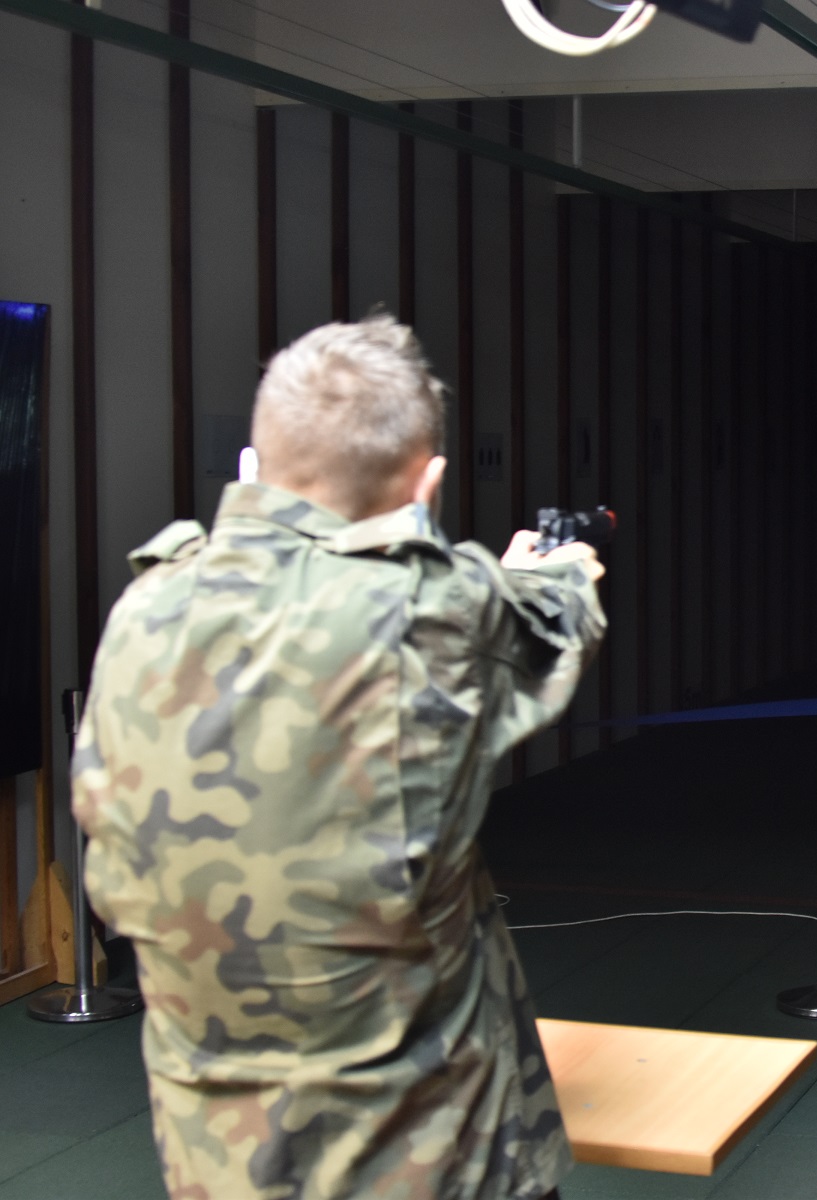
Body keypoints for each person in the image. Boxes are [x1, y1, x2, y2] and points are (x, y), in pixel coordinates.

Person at [71, 315, 605, 1200]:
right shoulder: (432, 611)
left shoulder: (146, 606)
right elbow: (552, 620)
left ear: (251, 466)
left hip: (217, 1165)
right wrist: (553, 567)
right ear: (428, 485)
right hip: (427, 1165)